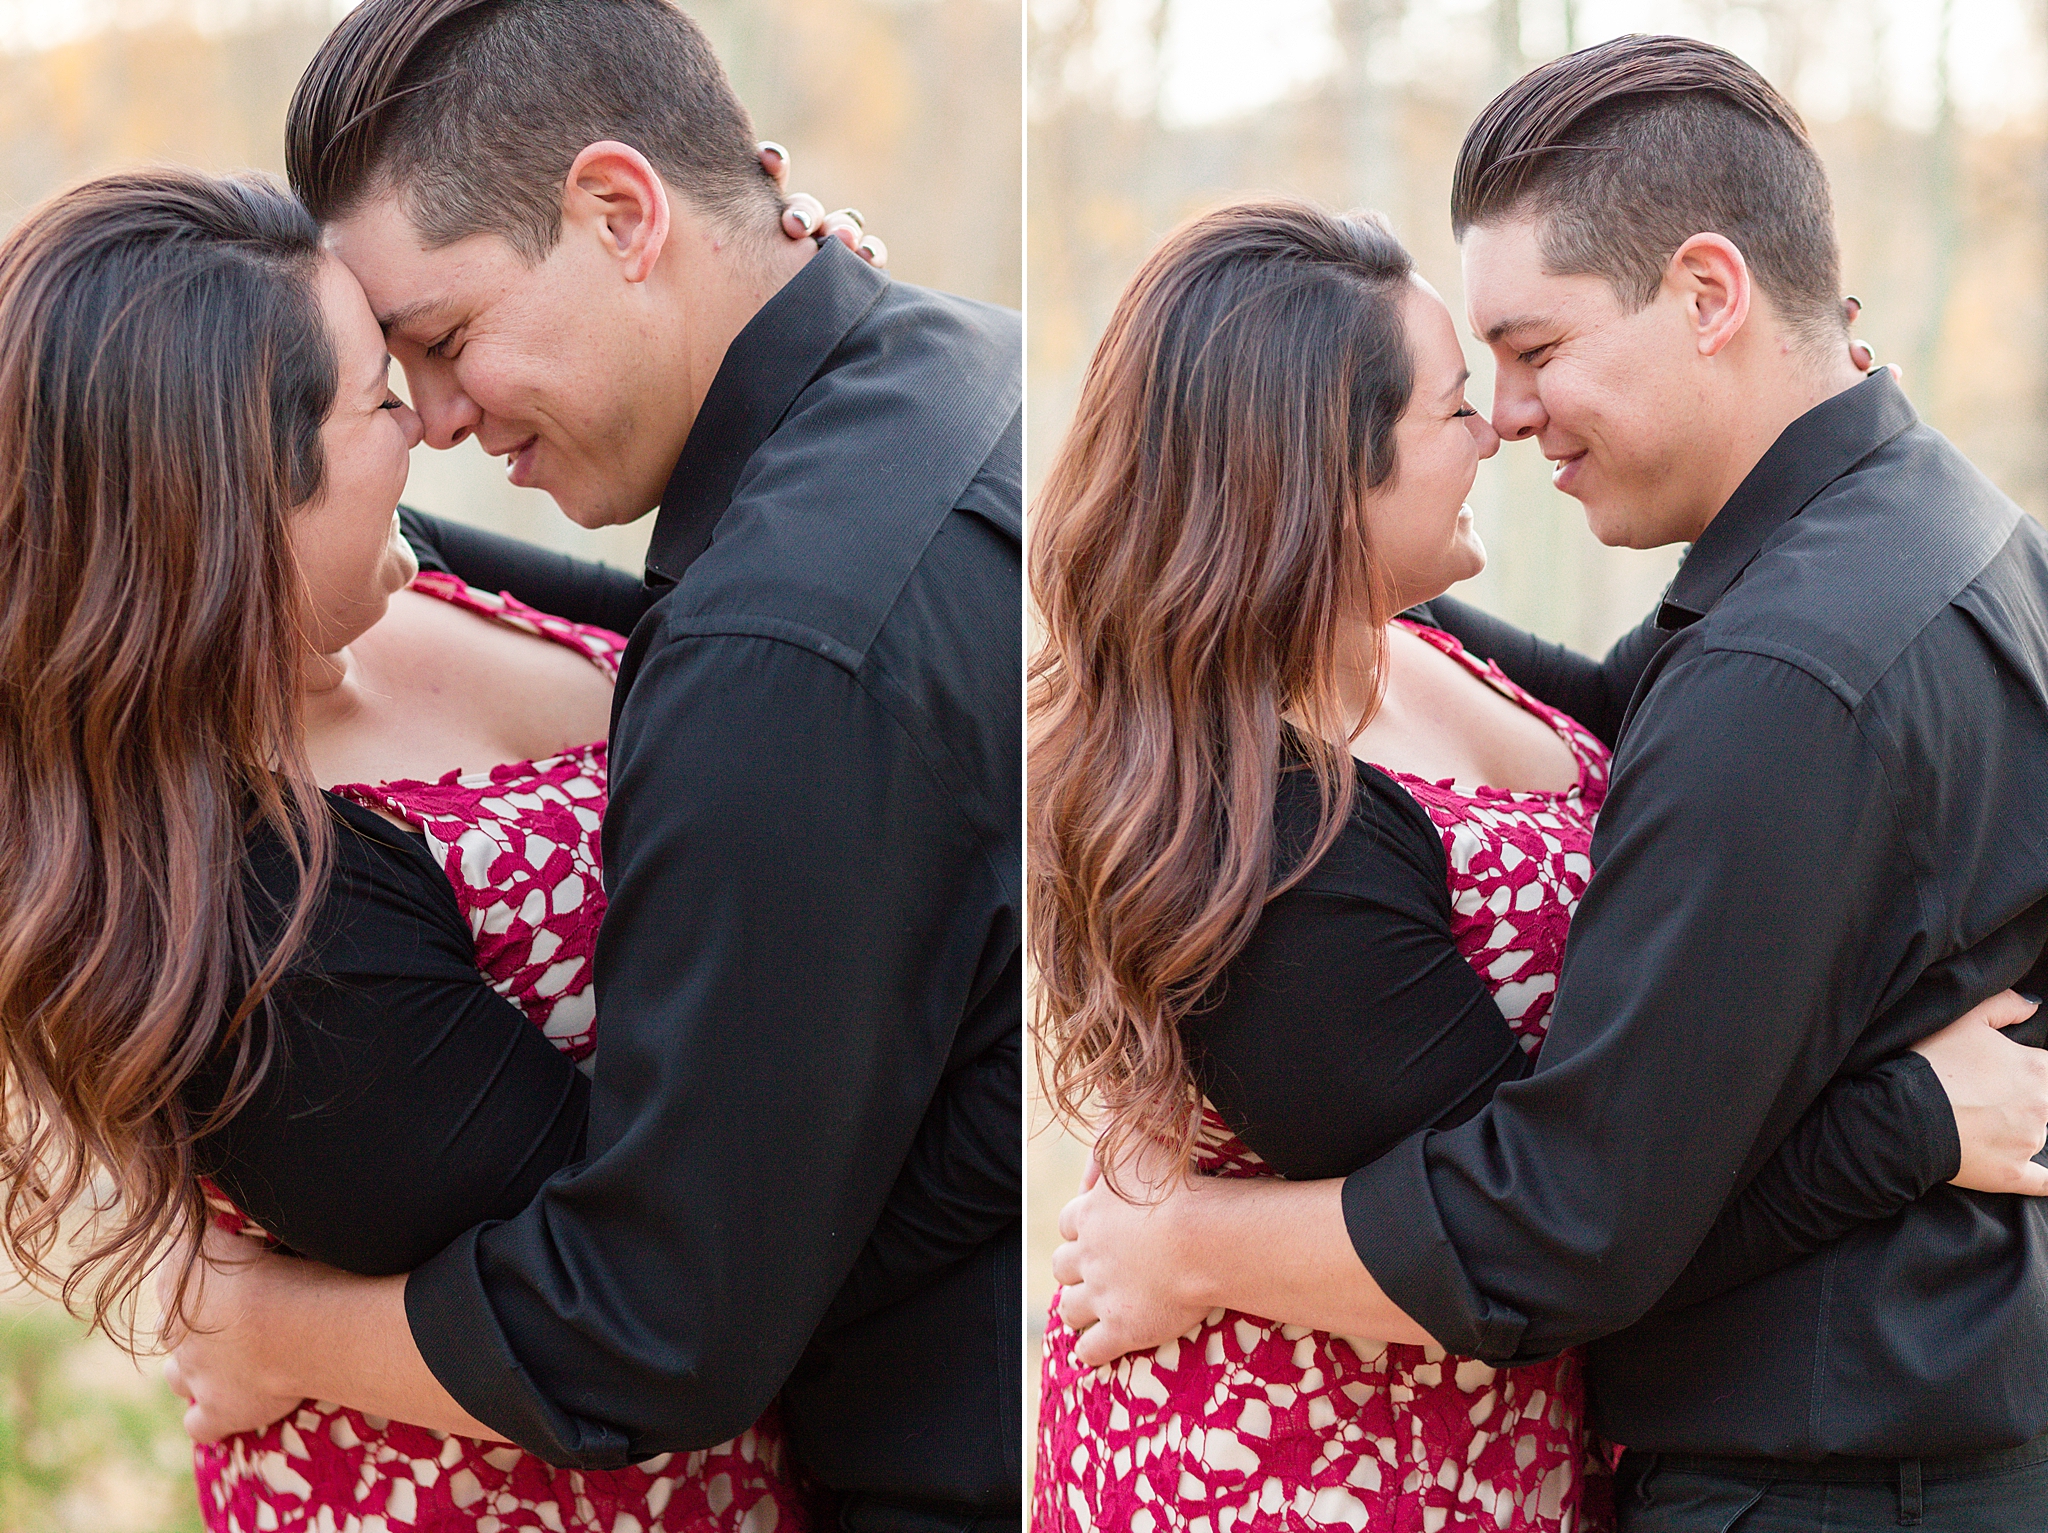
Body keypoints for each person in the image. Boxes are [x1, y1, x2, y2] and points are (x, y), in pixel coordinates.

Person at [1052, 35, 2048, 1532]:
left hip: (1823, 1459)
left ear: (1710, 294)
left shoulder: (1778, 665)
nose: (1509, 421)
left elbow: (1561, 1227)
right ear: (1314, 485)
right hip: (1320, 1464)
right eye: (1470, 391)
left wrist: (1200, 1241)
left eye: (1525, 357)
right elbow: (1558, 1222)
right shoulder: (1935, 523)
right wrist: (1910, 1115)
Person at [161, 3, 1023, 1531]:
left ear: (623, 213)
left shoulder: (773, 652)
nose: (430, 416)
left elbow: (660, 1308)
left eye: (439, 341)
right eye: (382, 374)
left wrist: (282, 1334)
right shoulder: (963, 364)